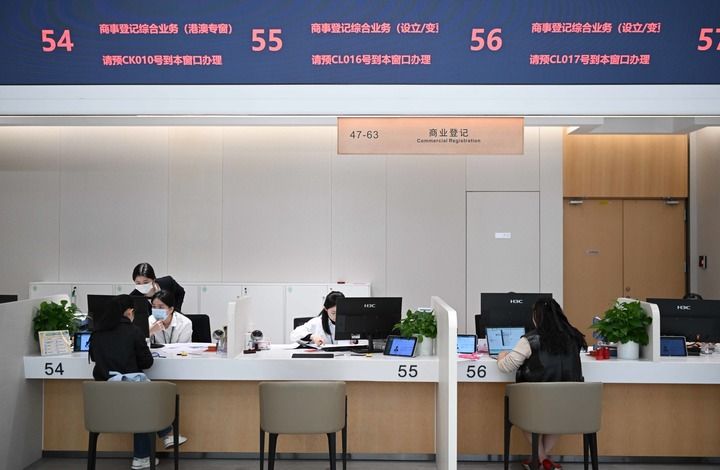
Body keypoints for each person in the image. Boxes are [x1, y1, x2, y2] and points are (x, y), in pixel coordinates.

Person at [89, 295, 187, 470]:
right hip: (133, 402)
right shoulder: (133, 332)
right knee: (144, 398)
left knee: (141, 397)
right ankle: (161, 439)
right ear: (129, 312)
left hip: (103, 404)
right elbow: (147, 362)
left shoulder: (96, 333)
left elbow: (96, 358)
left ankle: (158, 443)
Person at [496, 298, 586, 470]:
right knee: (557, 416)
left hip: (535, 403)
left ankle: (541, 458)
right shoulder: (574, 337)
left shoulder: (530, 340)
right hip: (567, 403)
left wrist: (501, 355)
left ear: (536, 317)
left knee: (524, 412)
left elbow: (506, 366)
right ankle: (542, 460)